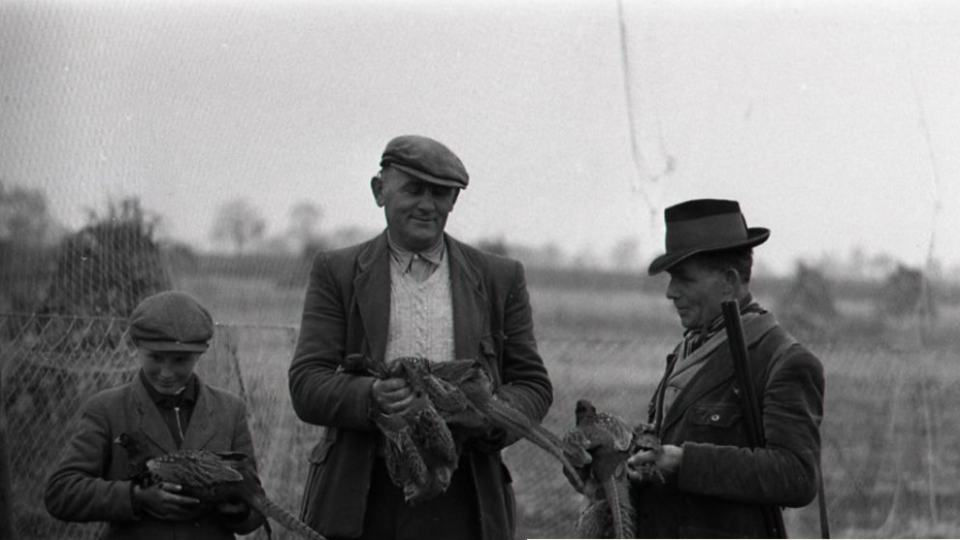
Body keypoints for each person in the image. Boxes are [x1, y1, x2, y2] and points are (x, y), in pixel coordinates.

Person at [289, 134, 553, 540]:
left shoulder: (500, 277)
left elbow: (533, 385)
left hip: (466, 499)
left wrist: (487, 415)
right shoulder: (336, 271)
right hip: (361, 497)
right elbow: (307, 383)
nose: (427, 205)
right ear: (380, 191)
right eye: (412, 190)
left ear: (454, 201)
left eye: (441, 193)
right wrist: (371, 397)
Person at [626, 199, 825, 538]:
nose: (671, 293)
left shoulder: (783, 360)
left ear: (729, 281)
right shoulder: (688, 349)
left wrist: (683, 463)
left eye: (684, 279)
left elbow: (797, 475)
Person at [45, 291, 266, 540]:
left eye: (181, 360)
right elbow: (61, 493)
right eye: (156, 358)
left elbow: (255, 504)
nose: (166, 372)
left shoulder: (229, 410)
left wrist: (237, 511)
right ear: (137, 348)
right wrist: (135, 496)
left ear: (199, 354)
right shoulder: (108, 409)